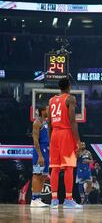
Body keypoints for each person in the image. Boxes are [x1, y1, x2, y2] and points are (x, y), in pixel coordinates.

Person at [48, 78, 82, 209]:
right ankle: (68, 199)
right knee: (69, 167)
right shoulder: (70, 99)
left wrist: (51, 138)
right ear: (69, 86)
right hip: (66, 134)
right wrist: (78, 141)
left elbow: (50, 122)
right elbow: (73, 121)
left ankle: (54, 200)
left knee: (55, 168)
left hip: (54, 135)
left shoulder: (51, 101)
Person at [30, 106, 50, 207]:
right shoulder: (37, 122)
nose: (49, 110)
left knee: (44, 175)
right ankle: (34, 199)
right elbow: (35, 141)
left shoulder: (46, 122)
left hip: (46, 150)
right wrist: (40, 155)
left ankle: (38, 198)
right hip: (39, 151)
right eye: (47, 109)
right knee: (37, 174)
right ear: (42, 111)